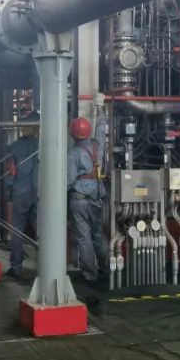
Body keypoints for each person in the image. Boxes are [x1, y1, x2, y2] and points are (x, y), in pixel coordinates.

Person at [67, 101, 109, 285]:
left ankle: (90, 274)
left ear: (72, 134)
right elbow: (101, 130)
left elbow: (68, 180)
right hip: (98, 199)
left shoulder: (73, 154)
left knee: (84, 238)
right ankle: (106, 269)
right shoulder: (97, 147)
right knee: (99, 235)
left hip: (80, 200)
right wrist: (100, 109)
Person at [3, 111, 39, 279]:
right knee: (42, 230)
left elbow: (10, 173)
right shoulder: (45, 144)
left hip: (20, 192)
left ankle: (16, 267)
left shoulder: (14, 147)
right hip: (41, 193)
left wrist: (8, 191)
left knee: (17, 230)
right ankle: (47, 267)